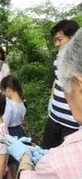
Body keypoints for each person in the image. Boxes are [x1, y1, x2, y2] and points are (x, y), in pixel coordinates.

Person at [5, 27, 82, 179]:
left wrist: (26, 160)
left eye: (65, 85)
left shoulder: (59, 163)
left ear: (79, 85)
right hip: (55, 119)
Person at [42, 19, 80, 149]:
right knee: (46, 153)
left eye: (60, 39)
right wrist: (51, 103)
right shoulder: (59, 58)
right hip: (54, 117)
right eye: (55, 40)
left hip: (72, 124)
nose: (56, 44)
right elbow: (57, 80)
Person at [0, 75, 27, 179]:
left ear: (8, 90)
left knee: (7, 162)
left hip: (9, 133)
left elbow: (4, 124)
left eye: (3, 91)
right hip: (19, 133)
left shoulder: (9, 104)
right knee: (16, 162)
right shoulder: (22, 103)